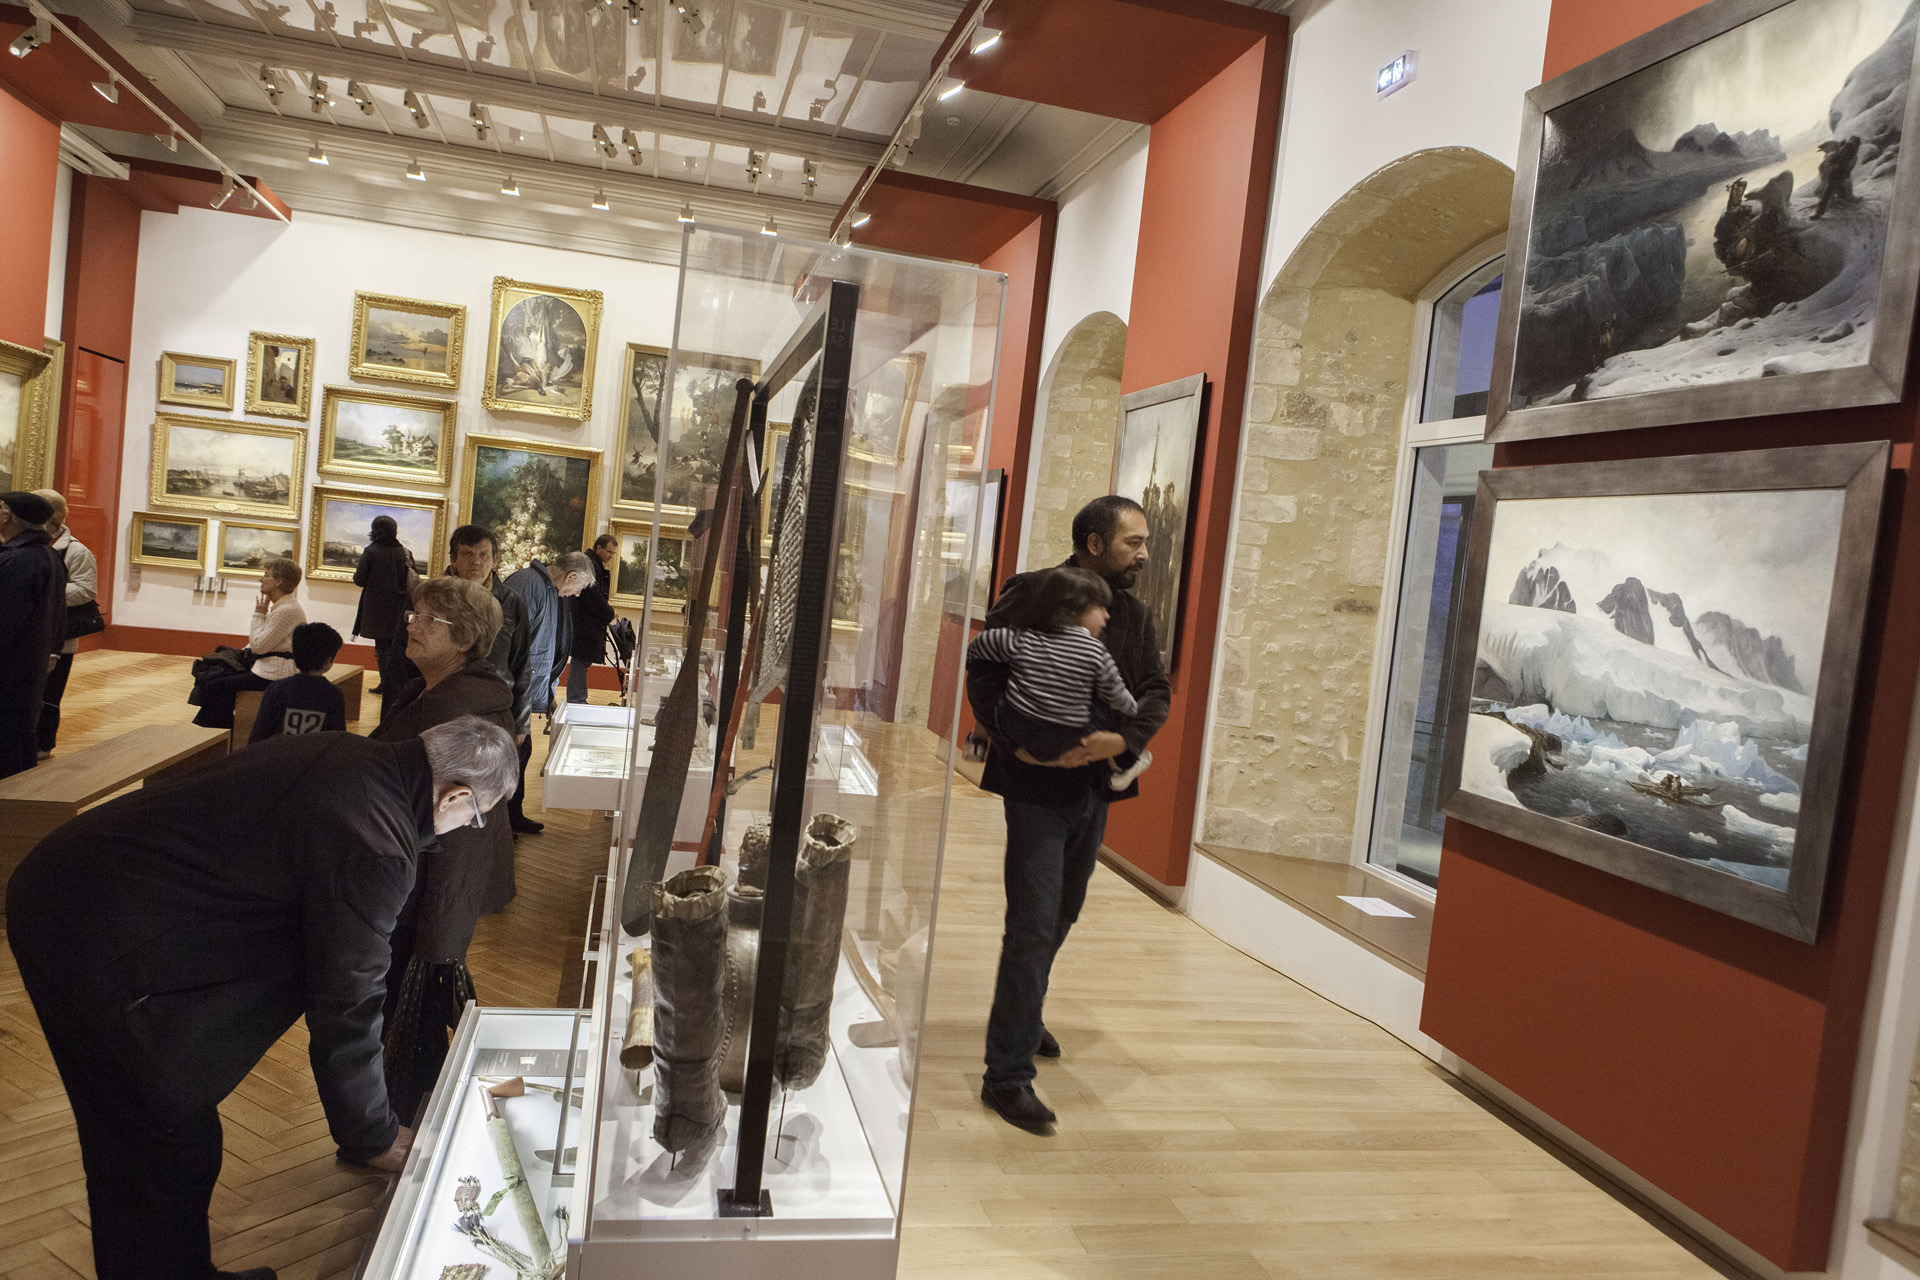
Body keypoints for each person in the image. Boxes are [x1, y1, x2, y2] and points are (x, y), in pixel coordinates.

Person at [7, 716, 519, 1280]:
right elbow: (348, 1001)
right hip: (88, 926)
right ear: (456, 794)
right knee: (156, 1137)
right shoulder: (377, 840)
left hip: (94, 896)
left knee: (166, 1134)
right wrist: (371, 1134)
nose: (464, 827)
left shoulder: (354, 759)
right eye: (473, 818)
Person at [965, 495, 1171, 1133]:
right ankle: (1006, 1075)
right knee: (1030, 923)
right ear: (1092, 542)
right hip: (1035, 787)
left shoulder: (1133, 614)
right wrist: (1012, 739)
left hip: (1094, 788)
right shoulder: (1031, 591)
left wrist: (1127, 740)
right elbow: (985, 669)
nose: (1143, 553)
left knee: (1063, 910)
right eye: (1133, 542)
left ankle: (1024, 1016)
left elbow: (1155, 689)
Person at [370, 576, 518, 1121]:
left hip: (416, 894)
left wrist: (441, 937)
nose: (414, 625)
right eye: (415, 615)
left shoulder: (456, 713)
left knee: (403, 1007)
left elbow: (462, 838)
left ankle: (396, 1120)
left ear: (465, 639)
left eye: (430, 620)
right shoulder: (440, 695)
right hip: (411, 883)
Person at [966, 565, 1151, 787]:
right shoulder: (1095, 651)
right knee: (1109, 706)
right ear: (1076, 610)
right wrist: (1132, 711)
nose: (1106, 615)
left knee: (1003, 693)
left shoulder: (1022, 639)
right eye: (1100, 607)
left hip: (1022, 730)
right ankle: (1127, 760)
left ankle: (977, 739)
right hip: (1067, 737)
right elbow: (1116, 692)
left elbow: (981, 644)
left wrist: (971, 660)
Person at [500, 550, 595, 834]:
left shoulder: (546, 589)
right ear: (571, 576)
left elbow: (542, 650)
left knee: (521, 753)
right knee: (513, 754)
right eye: (579, 587)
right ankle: (503, 823)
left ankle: (511, 818)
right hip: (513, 691)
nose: (576, 594)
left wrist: (548, 696)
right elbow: (509, 646)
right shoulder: (527, 584)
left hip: (526, 690)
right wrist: (516, 706)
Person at [190, 557, 307, 730]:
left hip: (276, 674)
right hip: (268, 667)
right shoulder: (283, 607)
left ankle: (218, 734)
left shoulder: (286, 610)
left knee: (216, 685)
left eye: (266, 575)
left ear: (278, 581)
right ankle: (214, 732)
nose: (261, 579)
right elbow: (259, 643)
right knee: (213, 676)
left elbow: (259, 646)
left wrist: (259, 614)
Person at [448, 524, 533, 757]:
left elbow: (522, 663)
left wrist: (522, 721)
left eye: (484, 555)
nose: (476, 561)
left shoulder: (512, 603)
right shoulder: (434, 598)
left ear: (495, 560)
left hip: (495, 707)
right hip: (445, 705)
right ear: (453, 559)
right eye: (467, 554)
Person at [0, 491, 66, 779]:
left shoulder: (17, 560)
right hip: (31, 664)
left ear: (7, 516)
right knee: (22, 735)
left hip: (9, 668)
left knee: (8, 741)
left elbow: (5, 621)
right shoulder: (49, 555)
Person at [34, 489, 97, 758]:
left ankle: (43, 746)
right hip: (32, 631)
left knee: (49, 695)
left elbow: (85, 590)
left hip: (59, 635)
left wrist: (44, 591)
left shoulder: (76, 551)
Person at [352, 516, 415, 717]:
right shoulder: (404, 552)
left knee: (381, 648)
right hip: (399, 607)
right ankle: (393, 683)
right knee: (397, 646)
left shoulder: (371, 552)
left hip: (377, 607)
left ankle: (384, 682)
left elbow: (359, 579)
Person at [247, 622, 348, 743]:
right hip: (315, 759)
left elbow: (259, 734)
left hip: (277, 758)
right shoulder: (334, 694)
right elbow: (337, 738)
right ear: (328, 660)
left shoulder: (277, 688)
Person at [566, 533, 617, 707]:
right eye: (609, 552)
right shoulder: (590, 565)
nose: (610, 556)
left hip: (586, 622)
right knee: (581, 660)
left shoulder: (591, 563)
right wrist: (608, 612)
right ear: (599, 548)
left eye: (613, 554)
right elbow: (592, 595)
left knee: (582, 660)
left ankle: (578, 697)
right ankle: (576, 699)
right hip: (585, 623)